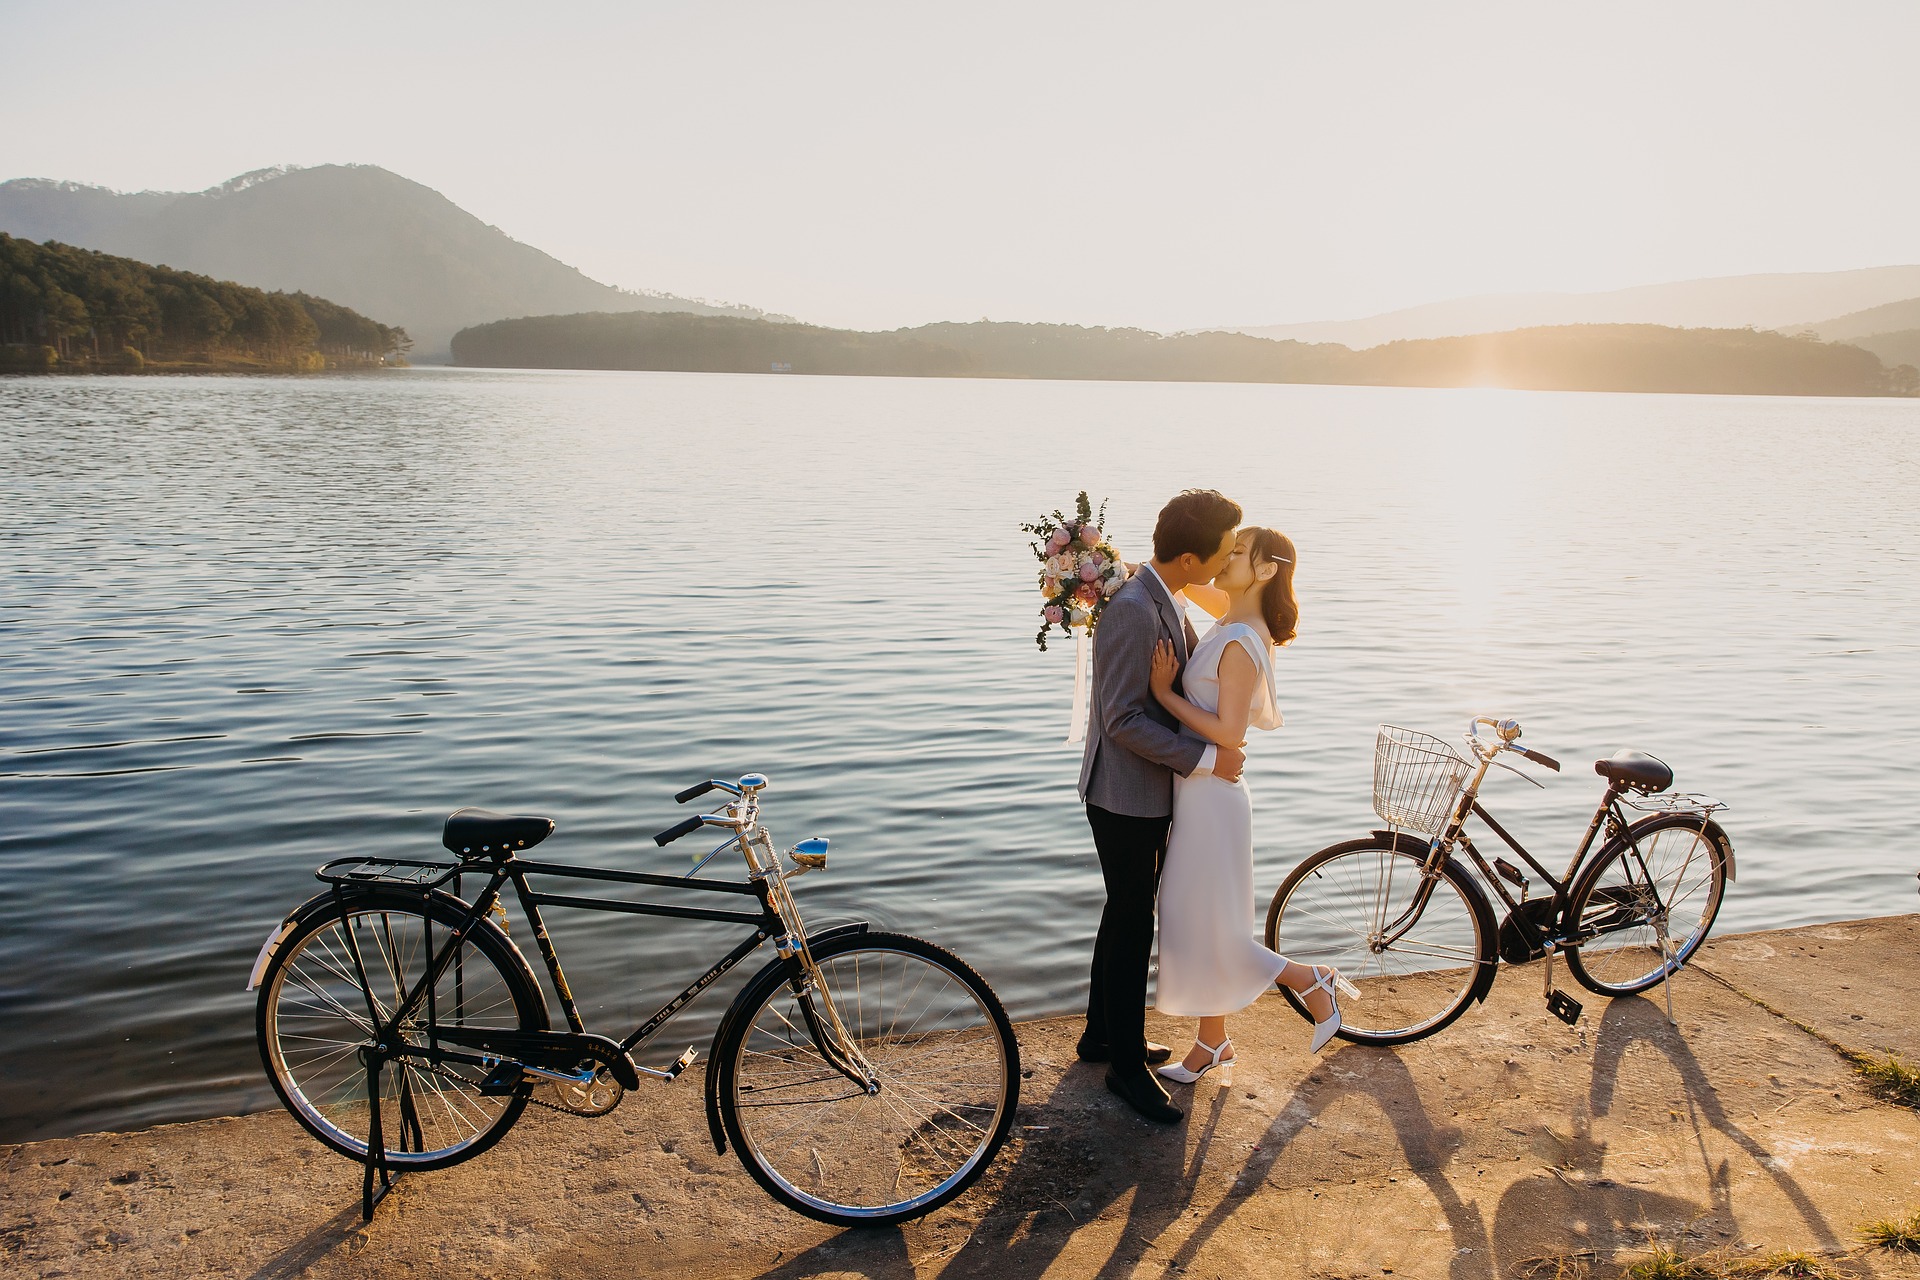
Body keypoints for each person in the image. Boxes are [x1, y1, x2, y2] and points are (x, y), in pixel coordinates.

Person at [1148, 526, 1357, 1088]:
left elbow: (1231, 734)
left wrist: (1166, 695)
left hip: (1214, 800)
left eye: (1237, 553)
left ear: (1265, 570)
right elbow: (1185, 585)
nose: (1225, 557)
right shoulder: (1235, 615)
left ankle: (1312, 980)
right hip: (1199, 794)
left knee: (1209, 925)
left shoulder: (1241, 641)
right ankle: (1211, 1043)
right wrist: (1116, 568)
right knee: (1199, 918)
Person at [1078, 489, 1246, 1124]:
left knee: (1123, 914)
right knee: (1132, 921)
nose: (1228, 557)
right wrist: (1204, 759)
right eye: (1225, 548)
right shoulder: (1131, 609)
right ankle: (1124, 1067)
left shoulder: (1164, 595)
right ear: (1186, 555)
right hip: (1124, 795)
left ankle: (1101, 1035)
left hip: (1146, 790)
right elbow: (1120, 718)